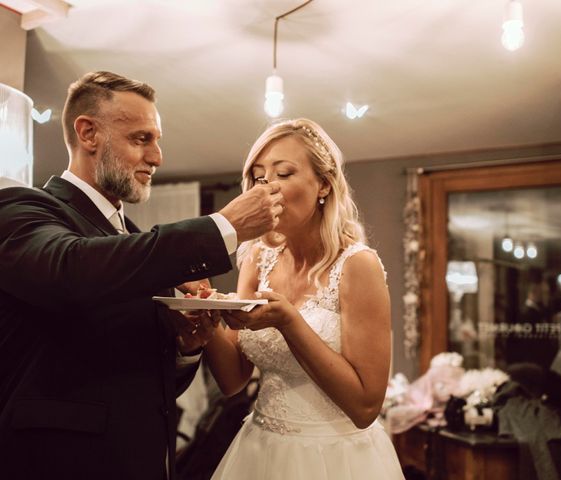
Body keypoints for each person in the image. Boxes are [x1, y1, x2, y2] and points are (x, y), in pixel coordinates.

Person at [0, 71, 283, 480]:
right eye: (141, 139)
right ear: (88, 133)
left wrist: (186, 349)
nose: (157, 157)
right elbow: (70, 269)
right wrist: (223, 225)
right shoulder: (22, 209)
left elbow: (144, 385)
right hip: (56, 464)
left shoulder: (133, 241)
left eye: (157, 140)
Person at [198, 118, 404, 479]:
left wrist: (289, 321)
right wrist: (207, 314)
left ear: (323, 184)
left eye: (283, 173)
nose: (267, 190)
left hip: (337, 458)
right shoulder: (256, 258)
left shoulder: (358, 266)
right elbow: (233, 381)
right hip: (262, 451)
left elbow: (365, 406)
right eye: (259, 178)